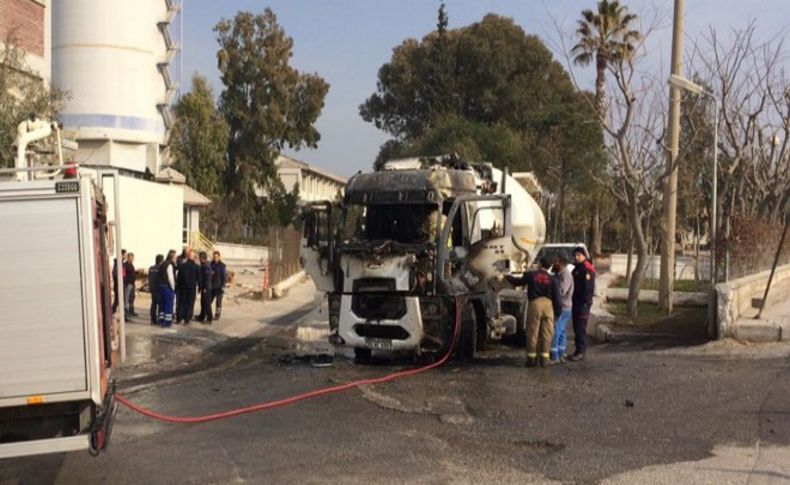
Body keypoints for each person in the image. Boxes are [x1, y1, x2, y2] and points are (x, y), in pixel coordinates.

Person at [507, 257, 560, 367]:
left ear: (540, 264)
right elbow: (557, 298)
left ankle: (531, 360)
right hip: (548, 306)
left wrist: (507, 276)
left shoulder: (531, 275)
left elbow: (517, 282)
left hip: (535, 304)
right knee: (547, 333)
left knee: (532, 332)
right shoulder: (553, 279)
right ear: (549, 266)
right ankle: (545, 360)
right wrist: (558, 312)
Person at [569, 246, 596, 361]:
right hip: (576, 301)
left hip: (583, 303)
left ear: (584, 256)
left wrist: (585, 301)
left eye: (579, 255)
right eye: (575, 255)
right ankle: (577, 349)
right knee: (576, 326)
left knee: (580, 327)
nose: (576, 257)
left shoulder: (587, 269)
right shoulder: (576, 269)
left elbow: (588, 288)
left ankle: (581, 351)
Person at [550, 256, 574, 363]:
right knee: (562, 331)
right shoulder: (560, 274)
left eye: (556, 261)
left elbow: (561, 291)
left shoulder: (566, 275)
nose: (554, 264)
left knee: (556, 330)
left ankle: (555, 356)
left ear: (561, 263)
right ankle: (561, 353)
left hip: (563, 307)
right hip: (565, 307)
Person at [175, 250, 200, 324]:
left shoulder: (182, 266)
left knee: (181, 303)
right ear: (194, 257)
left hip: (182, 288)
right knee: (190, 304)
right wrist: (200, 288)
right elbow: (199, 278)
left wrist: (177, 287)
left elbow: (178, 277)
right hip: (191, 288)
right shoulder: (197, 267)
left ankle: (179, 318)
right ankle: (187, 319)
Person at [158, 250, 177, 327]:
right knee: (169, 305)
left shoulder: (162, 264)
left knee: (162, 305)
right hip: (167, 288)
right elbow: (170, 278)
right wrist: (173, 288)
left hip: (161, 287)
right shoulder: (169, 265)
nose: (176, 259)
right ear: (171, 257)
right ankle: (167, 322)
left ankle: (161, 320)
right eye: (175, 257)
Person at [197, 251, 214, 324]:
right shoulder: (203, 265)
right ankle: (202, 316)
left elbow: (207, 278)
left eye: (199, 257)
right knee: (203, 303)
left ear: (201, 258)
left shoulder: (206, 266)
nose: (198, 259)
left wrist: (205, 288)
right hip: (204, 287)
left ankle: (209, 319)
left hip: (207, 288)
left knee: (207, 303)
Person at [210, 251, 227, 320]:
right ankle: (207, 314)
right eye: (214, 257)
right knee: (208, 301)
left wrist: (223, 286)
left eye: (216, 257)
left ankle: (217, 315)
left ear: (219, 257)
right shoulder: (211, 265)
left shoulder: (222, 266)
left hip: (219, 287)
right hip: (212, 287)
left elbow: (224, 277)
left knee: (218, 303)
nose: (215, 258)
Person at [148, 254, 164, 325]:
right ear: (161, 260)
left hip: (152, 288)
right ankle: (158, 319)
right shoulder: (161, 268)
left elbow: (149, 278)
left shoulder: (151, 268)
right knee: (159, 304)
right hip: (158, 288)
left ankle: (152, 319)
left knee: (153, 304)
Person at [112, 249, 127, 314]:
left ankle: (121, 314)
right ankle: (113, 311)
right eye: (125, 254)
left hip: (120, 284)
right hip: (118, 284)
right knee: (117, 299)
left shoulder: (121, 263)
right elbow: (115, 274)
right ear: (122, 254)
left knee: (119, 300)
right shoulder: (118, 263)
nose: (126, 256)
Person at [123, 252, 137, 317]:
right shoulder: (125, 265)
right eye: (131, 257)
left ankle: (131, 311)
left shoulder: (131, 265)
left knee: (132, 297)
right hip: (128, 284)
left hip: (132, 284)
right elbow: (124, 275)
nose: (132, 259)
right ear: (128, 257)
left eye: (133, 258)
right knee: (126, 298)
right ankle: (126, 311)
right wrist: (126, 283)